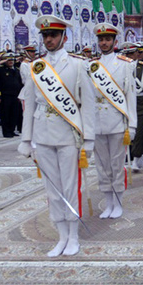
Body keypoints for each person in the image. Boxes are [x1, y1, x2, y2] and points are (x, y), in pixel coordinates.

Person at [18, 15, 95, 257]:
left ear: (64, 37)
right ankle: (61, 236)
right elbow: (29, 105)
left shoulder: (78, 65)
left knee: (70, 186)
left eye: (53, 35)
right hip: (42, 133)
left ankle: (73, 236)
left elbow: (88, 104)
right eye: (45, 35)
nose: (48, 39)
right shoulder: (36, 67)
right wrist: (26, 139)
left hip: (68, 133)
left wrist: (89, 138)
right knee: (51, 187)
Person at [89, 23, 137, 219]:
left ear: (115, 41)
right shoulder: (91, 65)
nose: (104, 43)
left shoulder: (125, 64)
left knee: (117, 165)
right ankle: (108, 203)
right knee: (102, 166)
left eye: (107, 39)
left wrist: (132, 125)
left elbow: (130, 96)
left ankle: (118, 202)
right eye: (101, 39)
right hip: (97, 123)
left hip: (117, 122)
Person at [125, 43, 143, 170]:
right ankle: (128, 155)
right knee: (125, 130)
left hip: (139, 100)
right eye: (127, 54)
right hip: (124, 101)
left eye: (131, 53)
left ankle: (136, 157)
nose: (129, 56)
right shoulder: (121, 66)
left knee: (138, 131)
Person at [0, 52, 23, 138]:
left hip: (15, 95)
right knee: (5, 114)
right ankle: (6, 131)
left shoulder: (16, 70)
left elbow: (19, 82)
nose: (11, 62)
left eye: (12, 60)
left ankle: (12, 130)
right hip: (5, 95)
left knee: (14, 114)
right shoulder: (1, 70)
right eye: (8, 60)